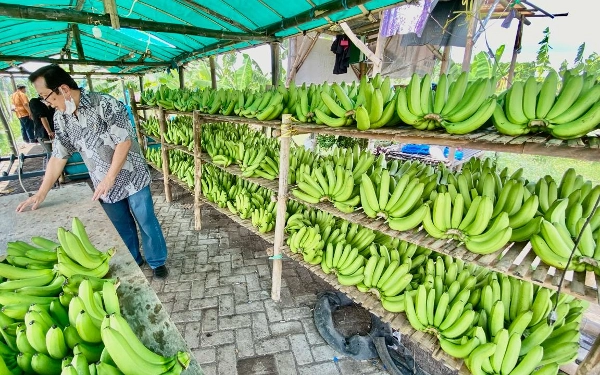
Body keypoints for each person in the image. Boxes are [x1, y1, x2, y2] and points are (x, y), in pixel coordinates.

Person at [16, 65, 169, 278]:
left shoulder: (105, 104)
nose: (47, 103)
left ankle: (156, 261)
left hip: (132, 175)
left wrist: (110, 177)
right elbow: (59, 155)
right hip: (103, 183)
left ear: (64, 89)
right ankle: (134, 259)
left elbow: (123, 141)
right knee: (121, 226)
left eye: (47, 97)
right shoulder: (61, 119)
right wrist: (41, 193)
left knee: (145, 220)